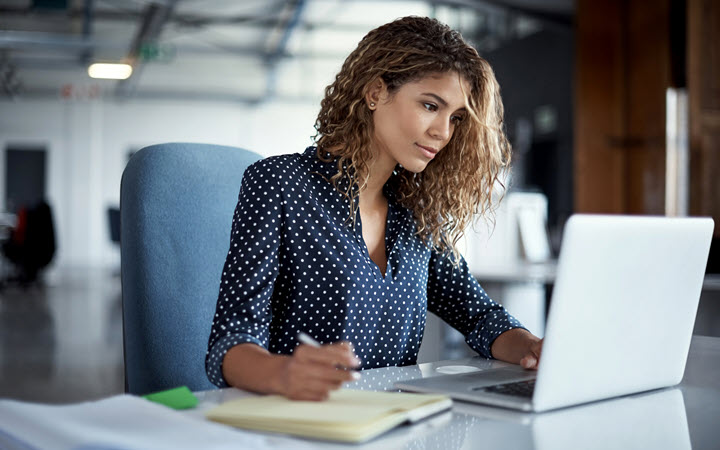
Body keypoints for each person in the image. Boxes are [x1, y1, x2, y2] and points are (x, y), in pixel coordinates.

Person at [206, 16, 543, 401]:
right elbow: (229, 343)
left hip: (393, 427)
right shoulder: (280, 183)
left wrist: (533, 347)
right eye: (430, 105)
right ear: (375, 93)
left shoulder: (415, 214)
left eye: (455, 118)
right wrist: (282, 373)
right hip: (297, 426)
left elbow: (481, 317)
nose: (443, 132)